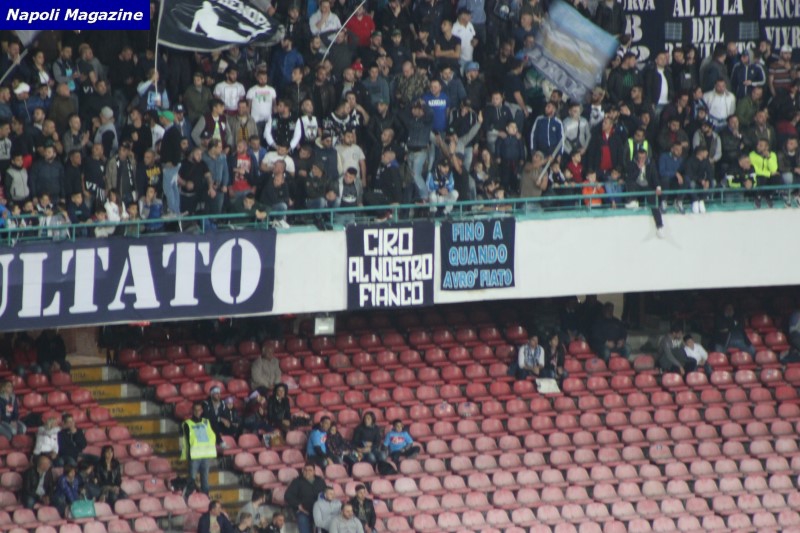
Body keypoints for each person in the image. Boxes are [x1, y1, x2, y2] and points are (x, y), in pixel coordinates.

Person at [181, 402, 217, 497]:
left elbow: (212, 436)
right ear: (192, 411)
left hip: (205, 455)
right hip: (194, 455)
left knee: (205, 480)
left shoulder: (206, 422)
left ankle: (205, 498)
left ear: (202, 411)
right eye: (195, 410)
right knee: (191, 479)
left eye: (199, 410)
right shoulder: (187, 424)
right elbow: (188, 441)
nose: (197, 412)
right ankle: (187, 498)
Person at [285, 463, 326, 533]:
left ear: (314, 472)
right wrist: (298, 505)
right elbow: (288, 496)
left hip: (319, 511)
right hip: (304, 511)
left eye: (310, 470)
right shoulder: (297, 481)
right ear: (303, 471)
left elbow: (326, 494)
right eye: (305, 470)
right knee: (302, 520)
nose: (307, 472)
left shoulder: (320, 481)